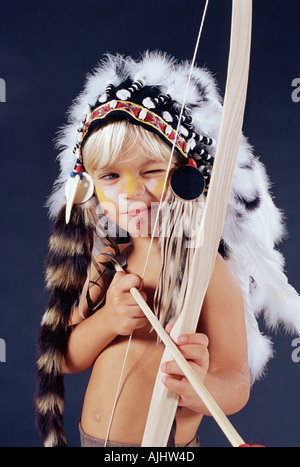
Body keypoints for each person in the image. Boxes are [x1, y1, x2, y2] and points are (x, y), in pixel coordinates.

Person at [35, 52, 300, 447]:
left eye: (152, 171)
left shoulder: (204, 266)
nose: (130, 193)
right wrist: (108, 320)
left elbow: (236, 384)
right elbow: (66, 358)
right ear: (89, 185)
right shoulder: (108, 258)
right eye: (110, 176)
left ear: (186, 177)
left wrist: (199, 387)